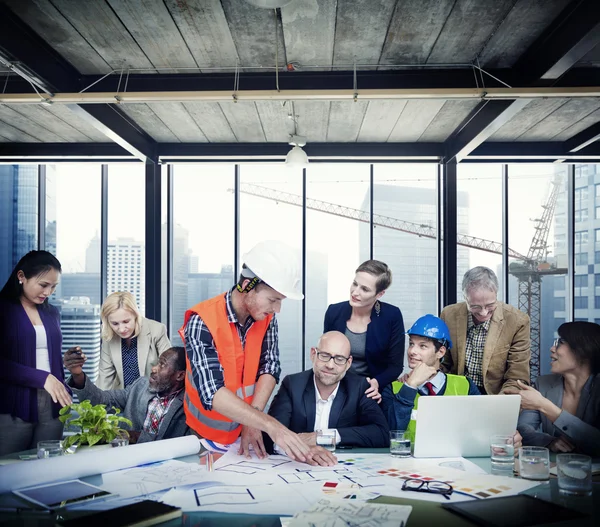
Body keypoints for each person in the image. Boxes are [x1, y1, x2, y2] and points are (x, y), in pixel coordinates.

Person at [180, 240, 314, 464]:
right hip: (204, 439)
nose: (277, 309)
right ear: (246, 286)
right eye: (273, 300)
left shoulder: (266, 318)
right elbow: (211, 393)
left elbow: (270, 366)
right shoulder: (202, 322)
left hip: (248, 432)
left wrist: (252, 420)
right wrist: (271, 425)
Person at [389, 314, 522, 450]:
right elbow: (392, 434)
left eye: (422, 346)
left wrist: (508, 439)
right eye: (411, 344)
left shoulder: (466, 386)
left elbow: (485, 427)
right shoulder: (393, 388)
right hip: (409, 465)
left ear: (440, 352)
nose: (412, 351)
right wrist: (410, 386)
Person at [264, 331, 389, 455]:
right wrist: (302, 450)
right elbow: (270, 437)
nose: (330, 365)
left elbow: (382, 434)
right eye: (324, 355)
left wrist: (322, 437)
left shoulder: (359, 387)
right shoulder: (292, 384)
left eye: (339, 359)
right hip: (298, 465)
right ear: (313, 354)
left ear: (348, 363)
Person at [0, 250, 74, 455]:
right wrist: (42, 378)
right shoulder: (3, 309)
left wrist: (68, 363)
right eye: (43, 285)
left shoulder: (52, 313)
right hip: (14, 404)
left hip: (53, 404)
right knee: (9, 469)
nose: (48, 292)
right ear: (21, 277)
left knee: (47, 467)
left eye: (53, 287)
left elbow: (47, 357)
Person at [508, 322, 600, 457]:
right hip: (554, 469)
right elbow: (523, 429)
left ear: (584, 350)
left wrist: (544, 405)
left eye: (560, 343)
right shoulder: (543, 383)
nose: (552, 349)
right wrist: (548, 441)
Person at [64, 346, 189, 443]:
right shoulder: (140, 386)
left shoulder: (189, 404)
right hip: (125, 460)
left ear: (180, 375)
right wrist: (78, 375)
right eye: (157, 363)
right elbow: (101, 400)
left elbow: (177, 441)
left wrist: (135, 436)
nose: (154, 368)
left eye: (162, 364)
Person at [323, 260, 405, 408]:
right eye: (355, 284)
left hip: (372, 389)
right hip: (336, 386)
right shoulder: (334, 312)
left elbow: (395, 366)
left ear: (379, 294)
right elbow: (325, 355)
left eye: (365, 289)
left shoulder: (391, 316)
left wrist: (376, 382)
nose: (355, 292)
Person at [440, 266, 530, 394]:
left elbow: (517, 376)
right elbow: (443, 362)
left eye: (490, 305)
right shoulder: (448, 315)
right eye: (475, 306)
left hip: (496, 396)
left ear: (496, 294)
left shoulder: (517, 321)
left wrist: (498, 404)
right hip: (457, 393)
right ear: (465, 298)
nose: (483, 313)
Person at [97, 291, 171, 390]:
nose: (121, 329)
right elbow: (104, 378)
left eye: (126, 321)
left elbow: (170, 369)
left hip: (153, 396)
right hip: (122, 398)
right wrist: (97, 403)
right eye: (115, 323)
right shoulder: (109, 337)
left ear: (135, 315)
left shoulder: (157, 330)